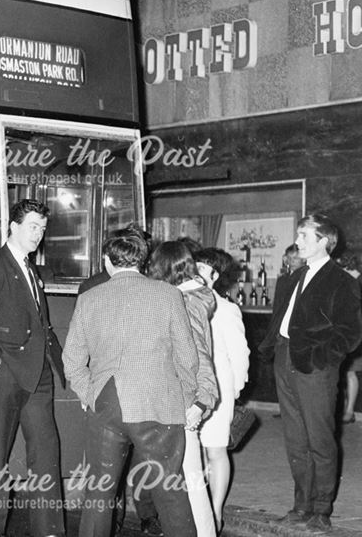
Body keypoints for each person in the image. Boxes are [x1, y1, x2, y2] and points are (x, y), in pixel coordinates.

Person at [64, 227, 199, 537]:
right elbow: (187, 358)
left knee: (99, 494)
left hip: (107, 403)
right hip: (156, 404)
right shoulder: (169, 295)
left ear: (107, 262)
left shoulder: (89, 298)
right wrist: (185, 398)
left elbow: (72, 360)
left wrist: (90, 394)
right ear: (143, 262)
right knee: (169, 490)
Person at [0, 199, 65, 537]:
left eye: (43, 229)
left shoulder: (30, 269)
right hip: (6, 376)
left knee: (47, 456)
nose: (39, 234)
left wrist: (60, 366)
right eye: (33, 227)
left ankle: (49, 532)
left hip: (38, 376)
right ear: (13, 227)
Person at [259, 214, 362, 532]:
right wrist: (274, 349)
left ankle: (321, 509)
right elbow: (281, 318)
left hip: (315, 367)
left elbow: (350, 332)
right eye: (299, 234)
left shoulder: (341, 281)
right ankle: (301, 505)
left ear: (324, 241)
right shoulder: (291, 276)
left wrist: (322, 359)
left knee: (319, 440)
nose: (298, 240)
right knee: (295, 440)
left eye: (304, 235)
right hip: (284, 361)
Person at [146, 241, 219, 537]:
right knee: (188, 481)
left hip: (183, 402)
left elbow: (198, 355)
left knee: (189, 483)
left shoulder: (185, 304)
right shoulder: (192, 299)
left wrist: (201, 402)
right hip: (182, 399)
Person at [194, 248, 250, 532]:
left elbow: (240, 355)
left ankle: (215, 512)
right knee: (194, 454)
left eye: (203, 268)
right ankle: (199, 508)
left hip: (218, 390)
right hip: (189, 390)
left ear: (215, 276)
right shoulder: (180, 302)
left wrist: (233, 391)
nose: (196, 272)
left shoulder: (226, 309)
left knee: (215, 451)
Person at [336, 253, 362, 424]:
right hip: (343, 332)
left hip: (356, 333)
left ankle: (349, 410)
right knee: (342, 372)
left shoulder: (356, 281)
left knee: (350, 372)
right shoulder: (345, 281)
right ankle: (345, 408)